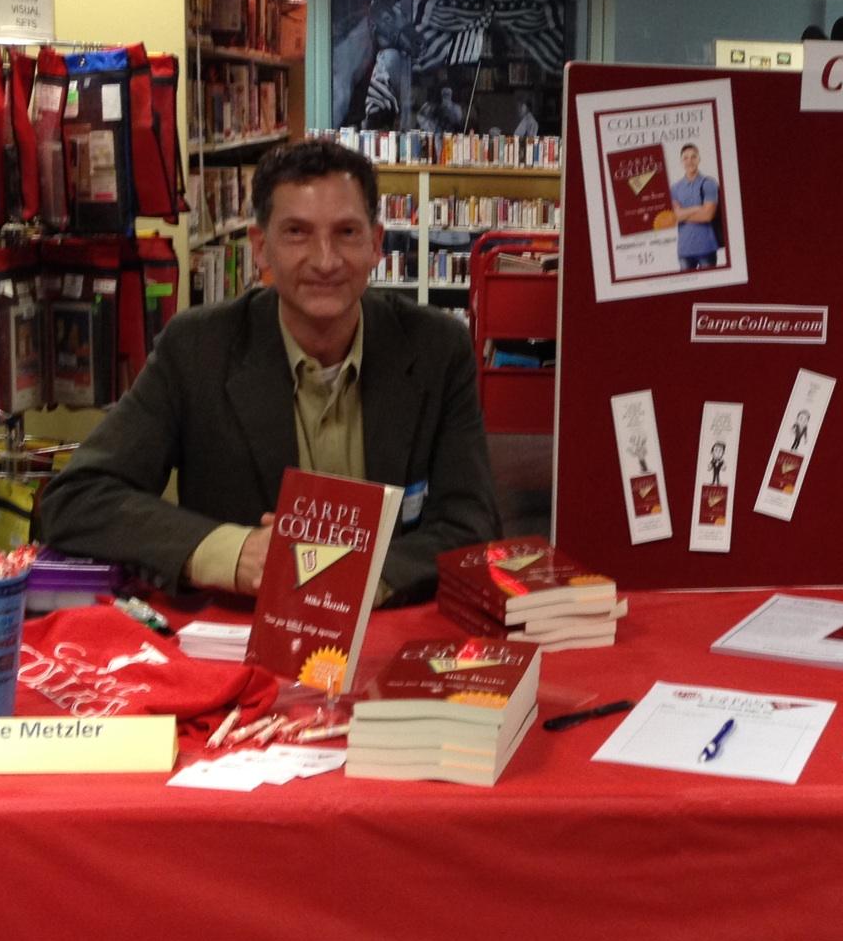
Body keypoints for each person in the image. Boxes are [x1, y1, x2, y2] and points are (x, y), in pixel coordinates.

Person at [38, 137, 501, 605]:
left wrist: (358, 577)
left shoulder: (438, 348)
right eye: (297, 232)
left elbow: (473, 524)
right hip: (237, 642)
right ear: (261, 248)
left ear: (376, 244)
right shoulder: (197, 349)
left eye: (346, 232)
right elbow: (76, 498)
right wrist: (234, 554)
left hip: (389, 634)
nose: (325, 260)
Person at [670, 142, 720, 270]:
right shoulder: (675, 188)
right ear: (681, 161)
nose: (689, 161)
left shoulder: (709, 183)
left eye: (693, 157)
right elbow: (673, 217)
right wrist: (698, 208)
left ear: (699, 159)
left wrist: (682, 214)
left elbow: (708, 216)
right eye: (685, 158)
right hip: (684, 250)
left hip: (706, 248)